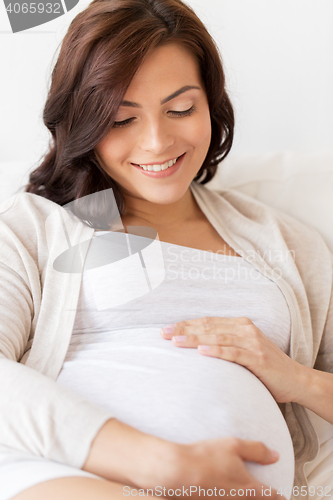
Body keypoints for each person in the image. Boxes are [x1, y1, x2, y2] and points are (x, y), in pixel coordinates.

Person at [0, 0, 332, 499]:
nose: (157, 142)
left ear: (211, 105)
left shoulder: (285, 244)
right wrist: (163, 462)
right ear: (83, 124)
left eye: (180, 109)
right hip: (67, 477)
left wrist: (295, 379)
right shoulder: (37, 229)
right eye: (119, 120)